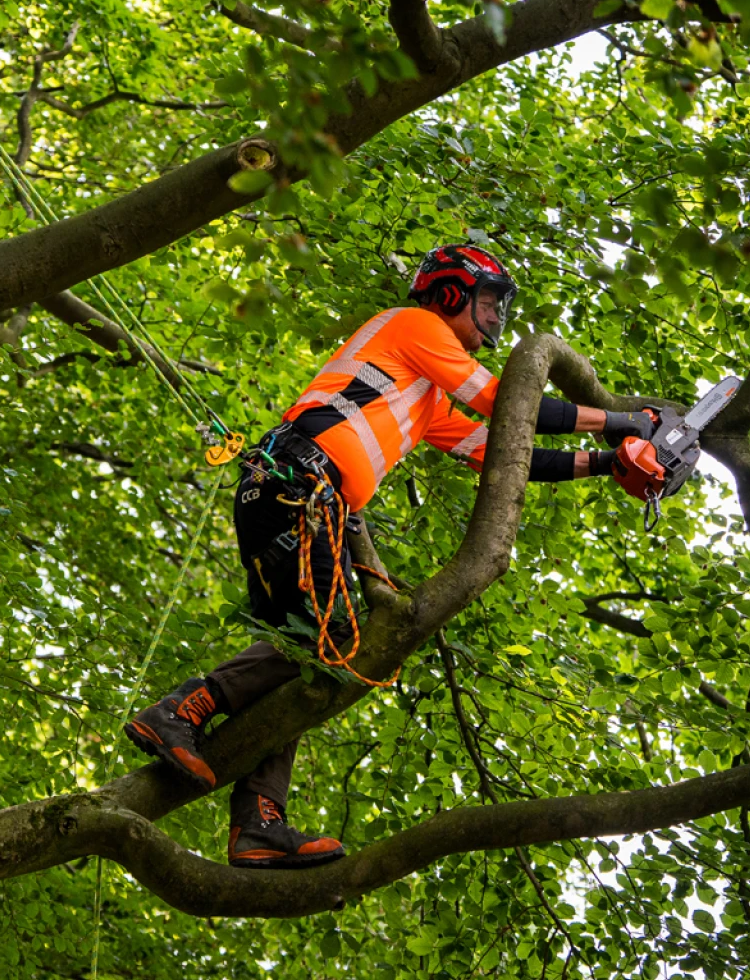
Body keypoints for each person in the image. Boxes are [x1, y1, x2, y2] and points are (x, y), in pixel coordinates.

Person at [125, 244, 656, 870]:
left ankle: (259, 822)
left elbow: (499, 447)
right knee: (332, 638)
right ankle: (183, 711)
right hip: (300, 483)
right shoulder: (418, 326)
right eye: (486, 303)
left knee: (303, 655)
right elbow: (507, 402)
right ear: (451, 294)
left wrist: (607, 463)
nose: (493, 321)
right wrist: (620, 421)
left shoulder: (426, 395)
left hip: (293, 491)